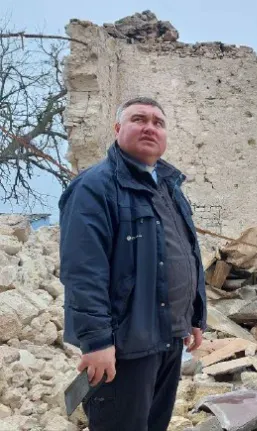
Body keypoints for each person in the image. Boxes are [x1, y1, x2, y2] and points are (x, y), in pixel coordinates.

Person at [58, 96, 208, 431]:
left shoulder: (169, 187)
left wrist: (194, 315)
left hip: (168, 338)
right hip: (125, 346)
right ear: (117, 128)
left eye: (158, 122)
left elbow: (187, 251)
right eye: (139, 119)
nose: (150, 127)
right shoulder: (94, 187)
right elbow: (83, 272)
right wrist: (97, 342)